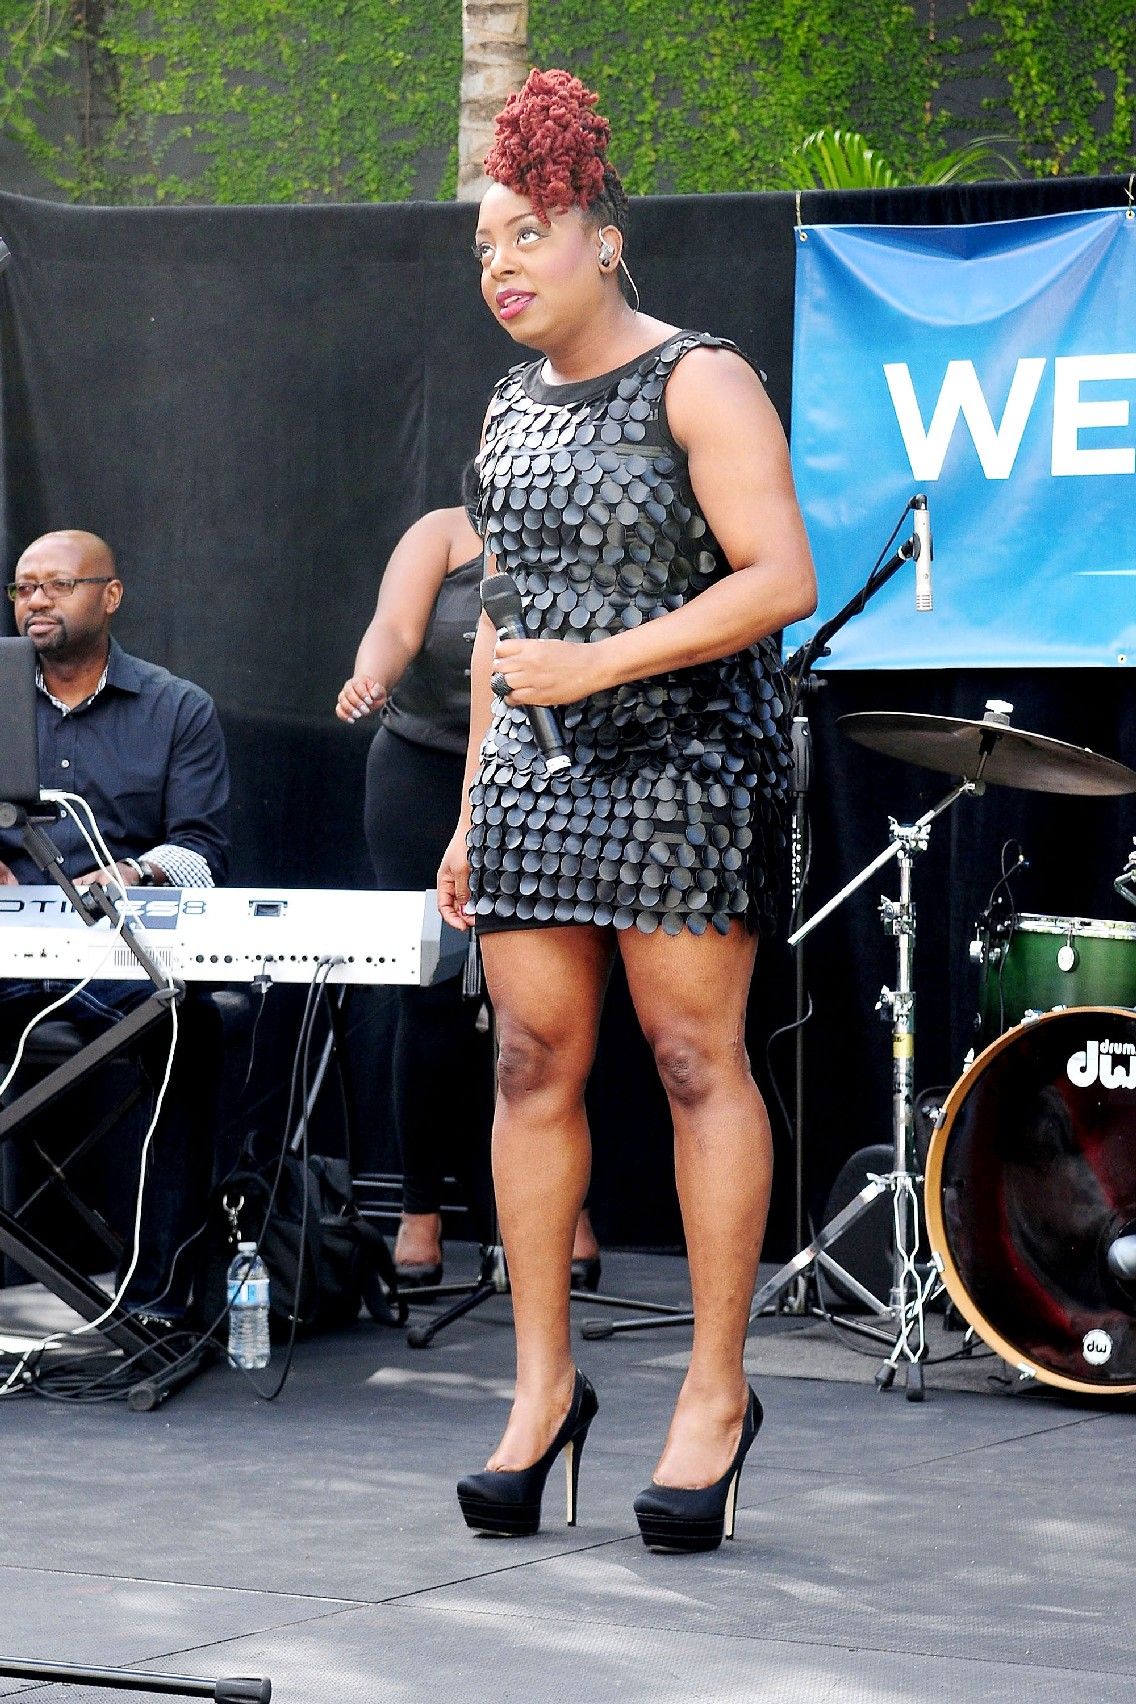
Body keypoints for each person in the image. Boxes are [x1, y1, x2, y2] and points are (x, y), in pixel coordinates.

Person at [437, 69, 816, 1552]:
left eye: (527, 233)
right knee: (533, 1058)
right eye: (484, 245)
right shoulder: (506, 407)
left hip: (681, 766)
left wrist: (605, 658)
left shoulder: (699, 376)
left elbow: (777, 578)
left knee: (688, 1059)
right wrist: (473, 804)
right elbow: (499, 627)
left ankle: (714, 1398)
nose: (503, 265)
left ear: (601, 235)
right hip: (533, 777)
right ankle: (542, 1397)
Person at [337, 471, 602, 1287]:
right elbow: (393, 627)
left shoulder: (590, 534)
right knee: (431, 995)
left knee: (552, 1001)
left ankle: (563, 1210)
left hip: (549, 774)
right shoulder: (444, 534)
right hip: (424, 770)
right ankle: (421, 1210)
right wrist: (370, 676)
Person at [0, 529, 230, 1325]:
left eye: (56, 585)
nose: (35, 600)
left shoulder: (176, 708)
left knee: (184, 1033)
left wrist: (131, 871)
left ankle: (160, 1298)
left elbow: (203, 851)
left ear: (110, 595)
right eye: (24, 587)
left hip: (119, 956)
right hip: (9, 959)